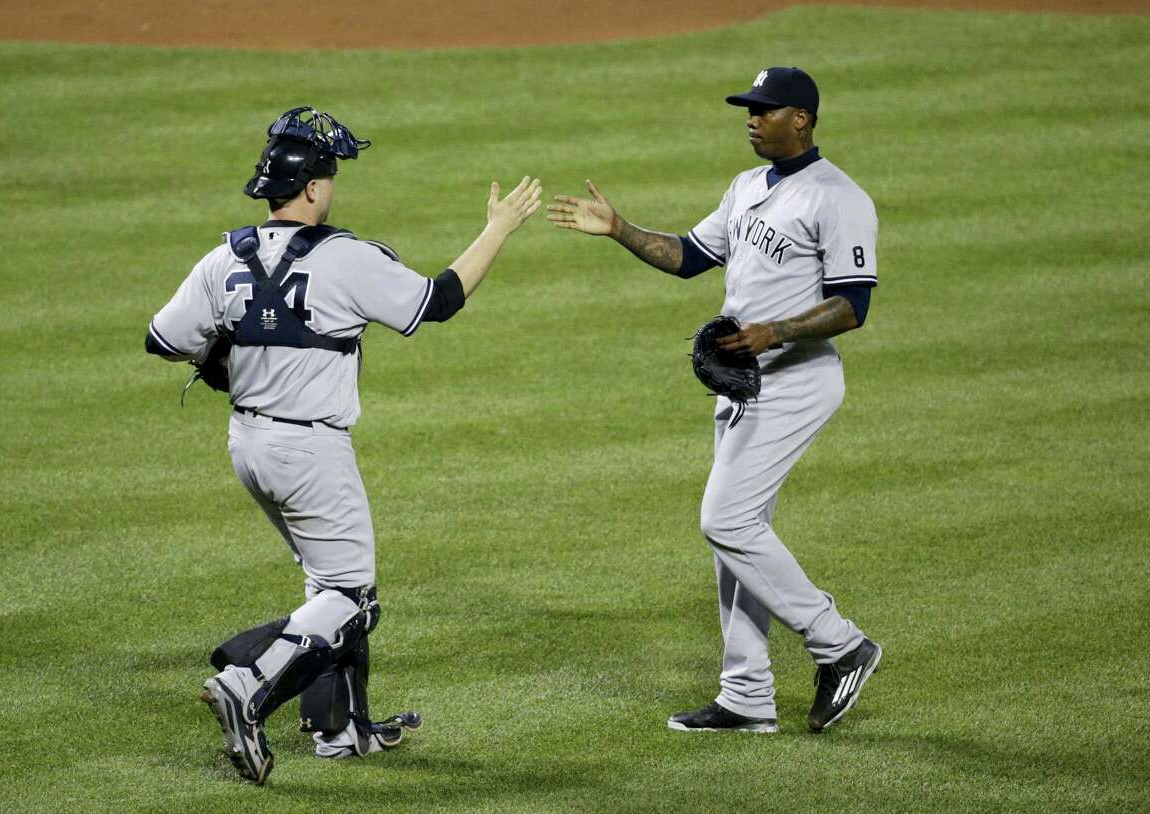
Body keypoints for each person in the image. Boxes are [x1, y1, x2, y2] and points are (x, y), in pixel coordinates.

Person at [146, 107, 541, 783]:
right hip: (309, 453)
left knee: (327, 583)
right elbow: (436, 302)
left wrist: (239, 347)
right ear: (311, 190)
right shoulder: (346, 258)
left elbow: (164, 339)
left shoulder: (222, 258)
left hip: (248, 445)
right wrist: (498, 227)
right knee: (352, 599)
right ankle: (249, 682)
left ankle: (341, 730)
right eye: (329, 177)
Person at [548, 68, 881, 734]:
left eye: (765, 109)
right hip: (743, 381)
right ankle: (747, 694)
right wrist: (619, 228)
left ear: (803, 120)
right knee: (737, 533)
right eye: (748, 109)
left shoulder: (838, 198)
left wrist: (775, 332)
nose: (752, 118)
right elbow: (690, 256)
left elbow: (854, 305)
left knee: (726, 521)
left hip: (798, 381)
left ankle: (839, 644)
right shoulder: (746, 187)